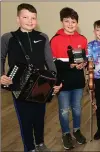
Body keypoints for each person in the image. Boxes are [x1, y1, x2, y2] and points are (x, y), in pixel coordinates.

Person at [0, 3, 61, 152]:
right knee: (25, 120)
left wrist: (55, 81)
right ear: (18, 19)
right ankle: (29, 148)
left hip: (41, 85)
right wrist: (1, 75)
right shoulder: (8, 37)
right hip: (18, 87)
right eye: (25, 17)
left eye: (33, 17)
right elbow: (1, 57)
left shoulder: (42, 37)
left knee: (39, 117)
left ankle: (40, 143)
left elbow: (49, 61)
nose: (30, 20)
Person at [50, 7, 87, 150]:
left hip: (78, 82)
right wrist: (69, 65)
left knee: (77, 109)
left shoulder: (82, 39)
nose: (70, 24)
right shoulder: (55, 40)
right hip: (62, 83)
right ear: (62, 22)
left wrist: (83, 64)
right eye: (67, 21)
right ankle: (66, 133)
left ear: (77, 23)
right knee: (64, 110)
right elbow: (52, 63)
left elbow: (84, 59)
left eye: (73, 21)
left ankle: (76, 130)